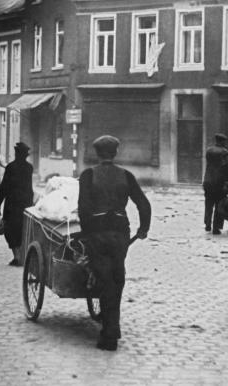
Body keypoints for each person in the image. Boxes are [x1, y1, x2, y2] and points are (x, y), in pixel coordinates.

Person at [78, 135, 151, 351]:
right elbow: (143, 204)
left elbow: (83, 209)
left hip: (97, 234)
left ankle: (109, 335)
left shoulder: (88, 175)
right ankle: (112, 325)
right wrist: (143, 229)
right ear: (115, 153)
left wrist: (87, 233)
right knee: (117, 278)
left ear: (97, 154)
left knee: (106, 280)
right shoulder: (126, 176)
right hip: (120, 235)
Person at [0, 142, 35, 267]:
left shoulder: (11, 167)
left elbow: (4, 186)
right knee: (22, 229)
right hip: (25, 203)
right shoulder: (29, 168)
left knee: (10, 230)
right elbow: (29, 187)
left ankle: (17, 256)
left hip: (12, 203)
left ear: (17, 153)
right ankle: (21, 256)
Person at [203, 133, 228, 234]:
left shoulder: (209, 150)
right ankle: (216, 228)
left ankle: (207, 224)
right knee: (219, 205)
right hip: (219, 182)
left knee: (208, 203)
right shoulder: (225, 152)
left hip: (208, 181)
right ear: (222, 141)